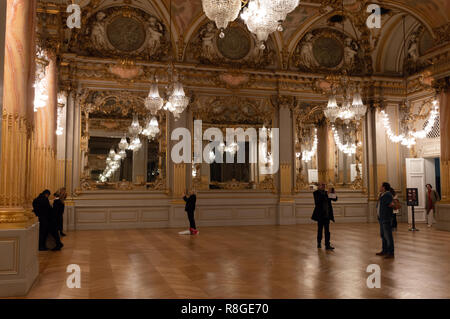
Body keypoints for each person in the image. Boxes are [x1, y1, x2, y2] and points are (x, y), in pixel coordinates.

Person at [311, 183, 335, 250]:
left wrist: (333, 193)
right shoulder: (316, 193)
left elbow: (335, 199)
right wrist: (327, 194)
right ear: (318, 186)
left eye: (324, 185)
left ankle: (327, 244)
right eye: (322, 185)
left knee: (327, 231)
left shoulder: (326, 192)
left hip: (327, 214)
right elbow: (317, 201)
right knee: (320, 230)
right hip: (320, 215)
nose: (324, 186)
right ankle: (319, 243)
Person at [376, 182, 395, 259]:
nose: (379, 187)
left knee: (388, 236)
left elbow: (390, 205)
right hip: (382, 218)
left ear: (384, 187)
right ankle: (384, 250)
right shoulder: (382, 195)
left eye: (380, 186)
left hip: (386, 218)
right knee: (383, 235)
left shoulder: (388, 195)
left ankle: (390, 253)